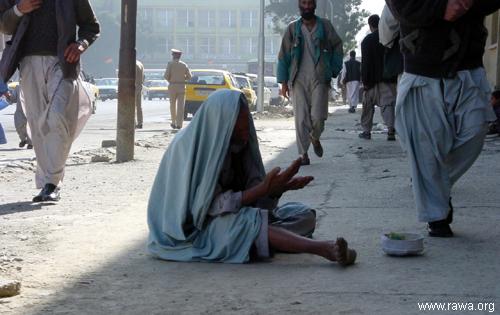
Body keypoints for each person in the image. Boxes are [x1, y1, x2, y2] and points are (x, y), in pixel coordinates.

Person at [147, 90, 356, 265]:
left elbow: (255, 199)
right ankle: (323, 249)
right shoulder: (189, 148)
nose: (246, 131)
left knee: (304, 215)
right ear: (222, 124)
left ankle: (261, 240)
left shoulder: (238, 144)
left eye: (246, 123)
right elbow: (207, 208)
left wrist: (276, 190)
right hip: (193, 232)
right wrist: (261, 190)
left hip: (233, 217)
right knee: (249, 222)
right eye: (239, 126)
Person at [387, 0, 499, 237]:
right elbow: (401, 6)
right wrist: (440, 8)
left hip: (468, 65)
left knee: (475, 132)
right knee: (425, 147)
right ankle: (437, 217)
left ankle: (435, 189)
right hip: (423, 67)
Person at [0, 0, 100, 202]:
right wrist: (20, 9)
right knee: (38, 126)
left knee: (57, 116)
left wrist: (81, 45)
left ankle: (52, 182)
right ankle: (48, 183)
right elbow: (4, 25)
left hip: (63, 63)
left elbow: (91, 27)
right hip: (28, 63)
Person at [277, 0, 343, 166]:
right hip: (298, 79)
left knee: (319, 117)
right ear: (299, 5)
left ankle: (315, 136)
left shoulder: (325, 26)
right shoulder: (293, 28)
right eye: (303, 3)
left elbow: (338, 46)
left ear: (314, 5)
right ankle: (303, 154)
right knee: (300, 118)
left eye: (309, 3)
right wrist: (283, 82)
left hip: (320, 78)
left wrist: (334, 68)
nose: (306, 6)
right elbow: (283, 56)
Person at [359, 15, 397, 141]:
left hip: (371, 81)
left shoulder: (367, 41)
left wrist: (365, 81)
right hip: (388, 79)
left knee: (367, 107)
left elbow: (365, 63)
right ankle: (391, 130)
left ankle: (366, 131)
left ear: (370, 26)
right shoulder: (389, 37)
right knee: (388, 106)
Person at [164, 49, 192, 130]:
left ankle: (173, 122)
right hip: (182, 86)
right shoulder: (184, 65)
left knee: (172, 105)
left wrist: (171, 80)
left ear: (173, 56)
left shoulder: (170, 64)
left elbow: (166, 76)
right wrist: (183, 80)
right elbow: (189, 76)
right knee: (180, 106)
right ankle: (179, 124)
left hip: (173, 86)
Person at [13, 83, 32, 149]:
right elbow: (13, 99)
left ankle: (30, 143)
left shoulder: (35, 86)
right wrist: (7, 95)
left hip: (31, 111)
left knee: (30, 126)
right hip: (19, 111)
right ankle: (23, 139)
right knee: (18, 126)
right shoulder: (18, 87)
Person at [135, 60, 145, 129]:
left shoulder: (132, 64)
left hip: (133, 86)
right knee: (139, 106)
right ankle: (140, 122)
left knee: (132, 106)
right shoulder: (140, 64)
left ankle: (133, 123)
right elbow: (143, 76)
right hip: (139, 86)